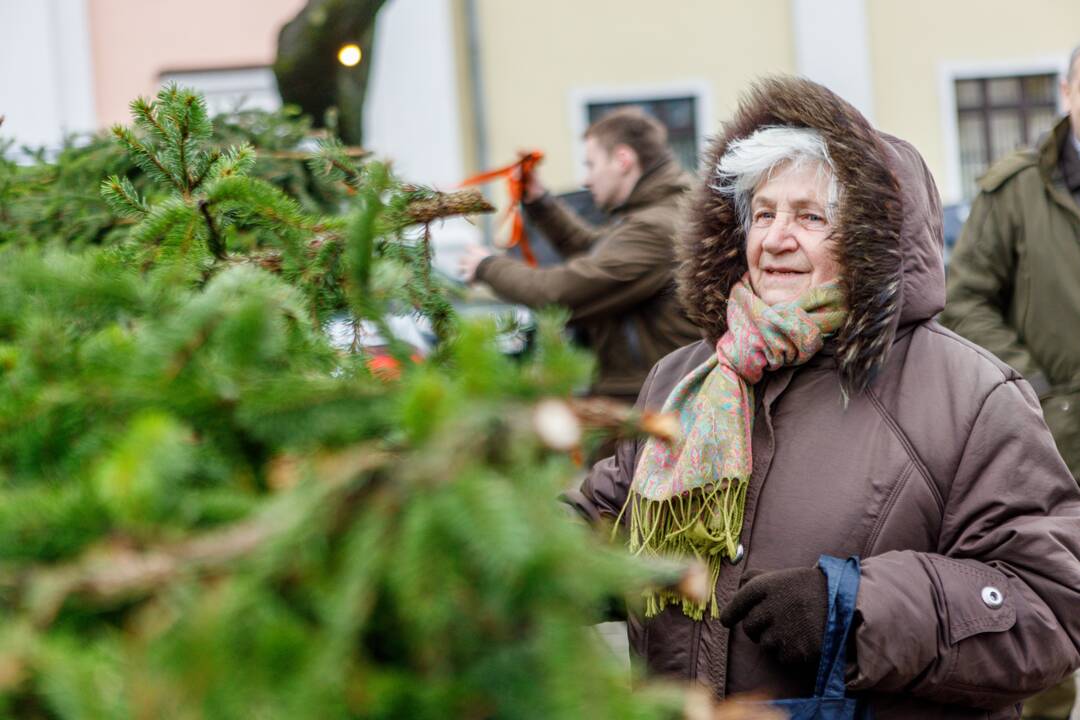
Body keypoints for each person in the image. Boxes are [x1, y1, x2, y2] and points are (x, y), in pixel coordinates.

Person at [563, 76, 1080, 719]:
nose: (777, 238)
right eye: (764, 212)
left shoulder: (971, 397)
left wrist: (850, 607)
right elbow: (607, 515)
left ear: (872, 237)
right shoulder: (687, 378)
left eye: (811, 217)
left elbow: (1049, 609)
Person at [941, 45, 1080, 720]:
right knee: (1047, 619)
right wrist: (1038, 388)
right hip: (1049, 440)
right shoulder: (1016, 189)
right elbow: (963, 301)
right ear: (1066, 92)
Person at [459, 107, 700, 403]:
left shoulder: (655, 227)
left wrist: (487, 266)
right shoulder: (656, 214)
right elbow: (596, 253)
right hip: (650, 390)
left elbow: (559, 293)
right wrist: (541, 203)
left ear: (623, 159)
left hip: (652, 401)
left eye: (591, 164)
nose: (587, 180)